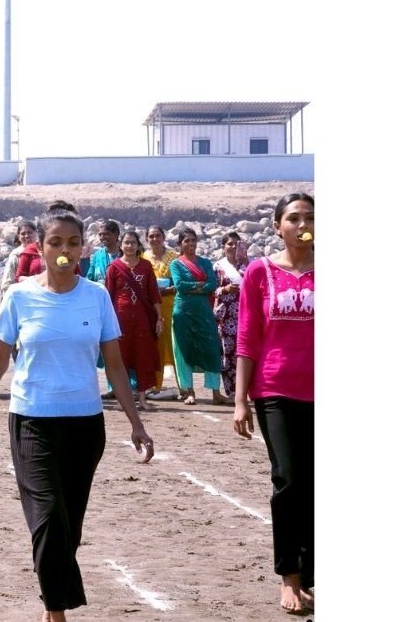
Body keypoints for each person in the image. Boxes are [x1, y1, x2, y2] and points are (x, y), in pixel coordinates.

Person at [0, 209, 154, 621]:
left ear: (83, 248)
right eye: (56, 242)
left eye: (72, 243)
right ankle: (56, 610)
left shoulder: (96, 296)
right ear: (40, 248)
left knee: (70, 523)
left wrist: (136, 423)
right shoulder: (19, 296)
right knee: (47, 517)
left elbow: (114, 365)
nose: (65, 250)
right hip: (32, 420)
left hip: (85, 424)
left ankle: (54, 598)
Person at [233, 192, 314, 616]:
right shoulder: (260, 272)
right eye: (294, 217)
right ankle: (291, 577)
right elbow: (248, 339)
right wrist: (240, 400)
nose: (303, 224)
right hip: (275, 390)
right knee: (289, 479)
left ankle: (313, 571)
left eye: (310, 217)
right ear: (278, 226)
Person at [104, 231, 162, 409]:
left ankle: (143, 399)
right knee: (121, 358)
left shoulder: (145, 266)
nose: (129, 246)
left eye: (133, 243)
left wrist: (159, 317)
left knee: (142, 356)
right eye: (126, 243)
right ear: (121, 245)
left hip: (142, 319)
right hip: (120, 319)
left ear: (138, 245)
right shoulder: (114, 267)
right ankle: (124, 400)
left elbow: (153, 293)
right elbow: (108, 295)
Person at [169, 227, 224, 405]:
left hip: (203, 311)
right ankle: (189, 392)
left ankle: (216, 392)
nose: (191, 244)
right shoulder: (176, 264)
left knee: (211, 348)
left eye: (193, 240)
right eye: (187, 241)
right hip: (183, 311)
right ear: (180, 244)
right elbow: (180, 285)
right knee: (185, 349)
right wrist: (200, 286)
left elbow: (212, 285)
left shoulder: (205, 262)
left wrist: (195, 287)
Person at [142, 225, 179, 398]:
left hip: (170, 306)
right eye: (151, 236)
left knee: (173, 345)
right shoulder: (144, 257)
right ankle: (155, 385)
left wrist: (166, 289)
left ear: (163, 238)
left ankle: (183, 387)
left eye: (158, 236)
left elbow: (177, 282)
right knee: (155, 346)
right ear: (147, 239)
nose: (155, 239)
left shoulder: (174, 257)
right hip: (151, 309)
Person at [214, 231, 248, 400]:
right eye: (230, 244)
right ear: (223, 247)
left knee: (245, 351)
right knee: (227, 352)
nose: (233, 247)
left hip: (246, 313)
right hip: (225, 316)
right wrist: (225, 289)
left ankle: (246, 390)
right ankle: (231, 391)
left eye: (237, 244)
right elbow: (212, 289)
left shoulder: (248, 266)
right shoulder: (218, 267)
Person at [2, 221, 37, 291]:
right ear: (18, 236)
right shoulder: (16, 255)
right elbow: (8, 283)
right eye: (23, 234)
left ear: (36, 233)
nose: (27, 236)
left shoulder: (43, 251)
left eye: (30, 232)